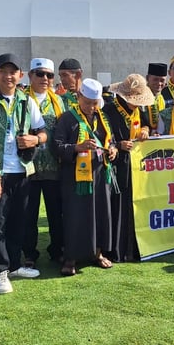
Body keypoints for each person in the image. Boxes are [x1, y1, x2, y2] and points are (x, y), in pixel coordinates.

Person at [0, 54, 47, 294]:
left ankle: (14, 265)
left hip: (23, 172)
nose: (8, 76)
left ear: (20, 75)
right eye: (2, 71)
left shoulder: (27, 101)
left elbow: (43, 132)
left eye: (12, 71)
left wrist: (35, 138)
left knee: (19, 222)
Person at [53, 79, 118, 276]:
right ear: (79, 97)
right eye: (88, 102)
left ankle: (98, 253)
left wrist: (113, 150)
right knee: (75, 216)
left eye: (94, 103)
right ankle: (70, 257)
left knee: (101, 213)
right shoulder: (67, 119)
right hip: (76, 179)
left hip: (101, 175)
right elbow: (56, 146)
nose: (91, 107)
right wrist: (77, 148)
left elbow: (111, 140)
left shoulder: (103, 118)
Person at [104, 73, 154, 262]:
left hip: (134, 165)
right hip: (115, 165)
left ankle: (132, 248)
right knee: (117, 207)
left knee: (133, 205)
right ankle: (115, 250)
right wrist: (117, 145)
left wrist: (145, 130)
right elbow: (102, 135)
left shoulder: (136, 111)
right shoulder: (109, 110)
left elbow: (147, 125)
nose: (137, 103)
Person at [23, 58, 66, 268]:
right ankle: (29, 253)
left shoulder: (59, 102)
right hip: (27, 168)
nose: (45, 79)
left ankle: (57, 250)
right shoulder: (21, 100)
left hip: (53, 167)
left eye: (49, 75)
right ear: (30, 76)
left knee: (55, 214)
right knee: (28, 214)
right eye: (40, 74)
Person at [143, 63, 168, 131]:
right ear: (147, 78)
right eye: (155, 79)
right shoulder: (140, 97)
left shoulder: (161, 98)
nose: (159, 83)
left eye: (162, 80)